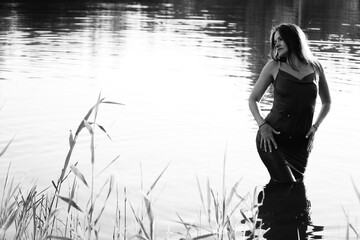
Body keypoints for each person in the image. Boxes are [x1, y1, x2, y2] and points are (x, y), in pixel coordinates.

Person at [248, 23, 331, 183]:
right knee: (287, 185)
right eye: (274, 41)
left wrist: (315, 127)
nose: (276, 44)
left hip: (301, 144)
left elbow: (327, 102)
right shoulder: (273, 66)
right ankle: (266, 206)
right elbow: (253, 100)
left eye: (280, 39)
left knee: (293, 187)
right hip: (272, 140)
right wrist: (262, 125)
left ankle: (264, 206)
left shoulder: (316, 67)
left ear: (294, 39)